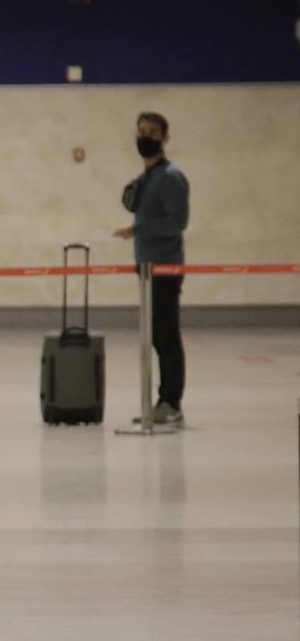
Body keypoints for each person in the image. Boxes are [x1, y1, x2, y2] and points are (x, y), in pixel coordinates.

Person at [114, 111, 189, 426]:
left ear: (165, 138)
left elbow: (177, 222)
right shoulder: (147, 177)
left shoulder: (171, 176)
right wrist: (137, 227)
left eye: (152, 132)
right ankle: (159, 402)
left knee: (166, 336)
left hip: (165, 269)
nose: (145, 137)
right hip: (146, 268)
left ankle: (171, 402)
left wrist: (140, 227)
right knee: (156, 336)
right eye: (141, 131)